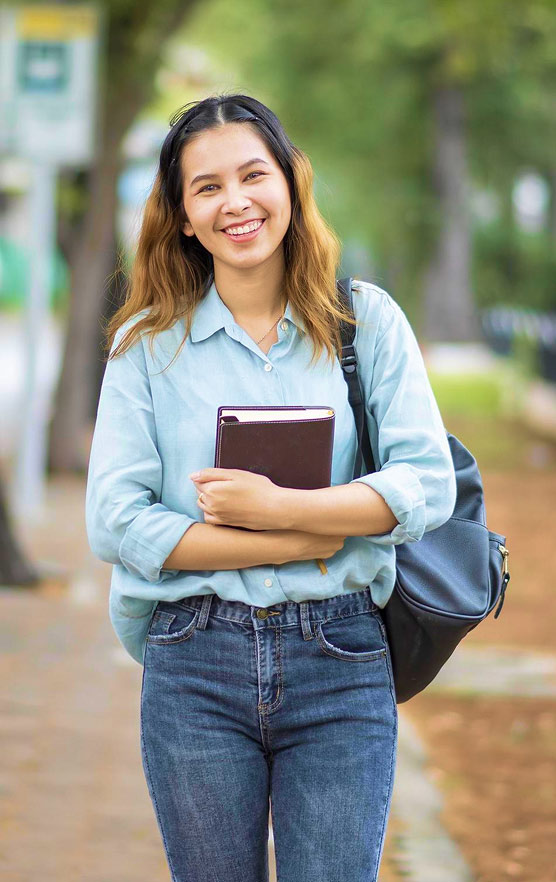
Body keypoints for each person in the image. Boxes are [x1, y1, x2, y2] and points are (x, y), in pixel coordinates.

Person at [85, 93, 456, 882]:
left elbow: (426, 483)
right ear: (183, 216)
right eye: (207, 187)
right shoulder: (145, 344)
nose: (236, 202)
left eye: (254, 175)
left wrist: (280, 507)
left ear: (290, 182)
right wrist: (310, 537)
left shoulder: (367, 324)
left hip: (342, 658)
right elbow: (116, 520)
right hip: (194, 659)